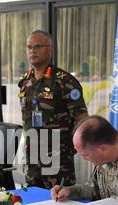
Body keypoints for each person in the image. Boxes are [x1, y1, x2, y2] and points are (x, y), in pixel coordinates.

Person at [18, 30, 88, 189]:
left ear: (49, 49)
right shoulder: (25, 81)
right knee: (33, 201)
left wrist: (72, 147)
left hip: (57, 157)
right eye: (29, 47)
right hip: (32, 155)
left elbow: (82, 119)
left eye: (37, 46)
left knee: (60, 202)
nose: (32, 51)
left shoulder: (65, 81)